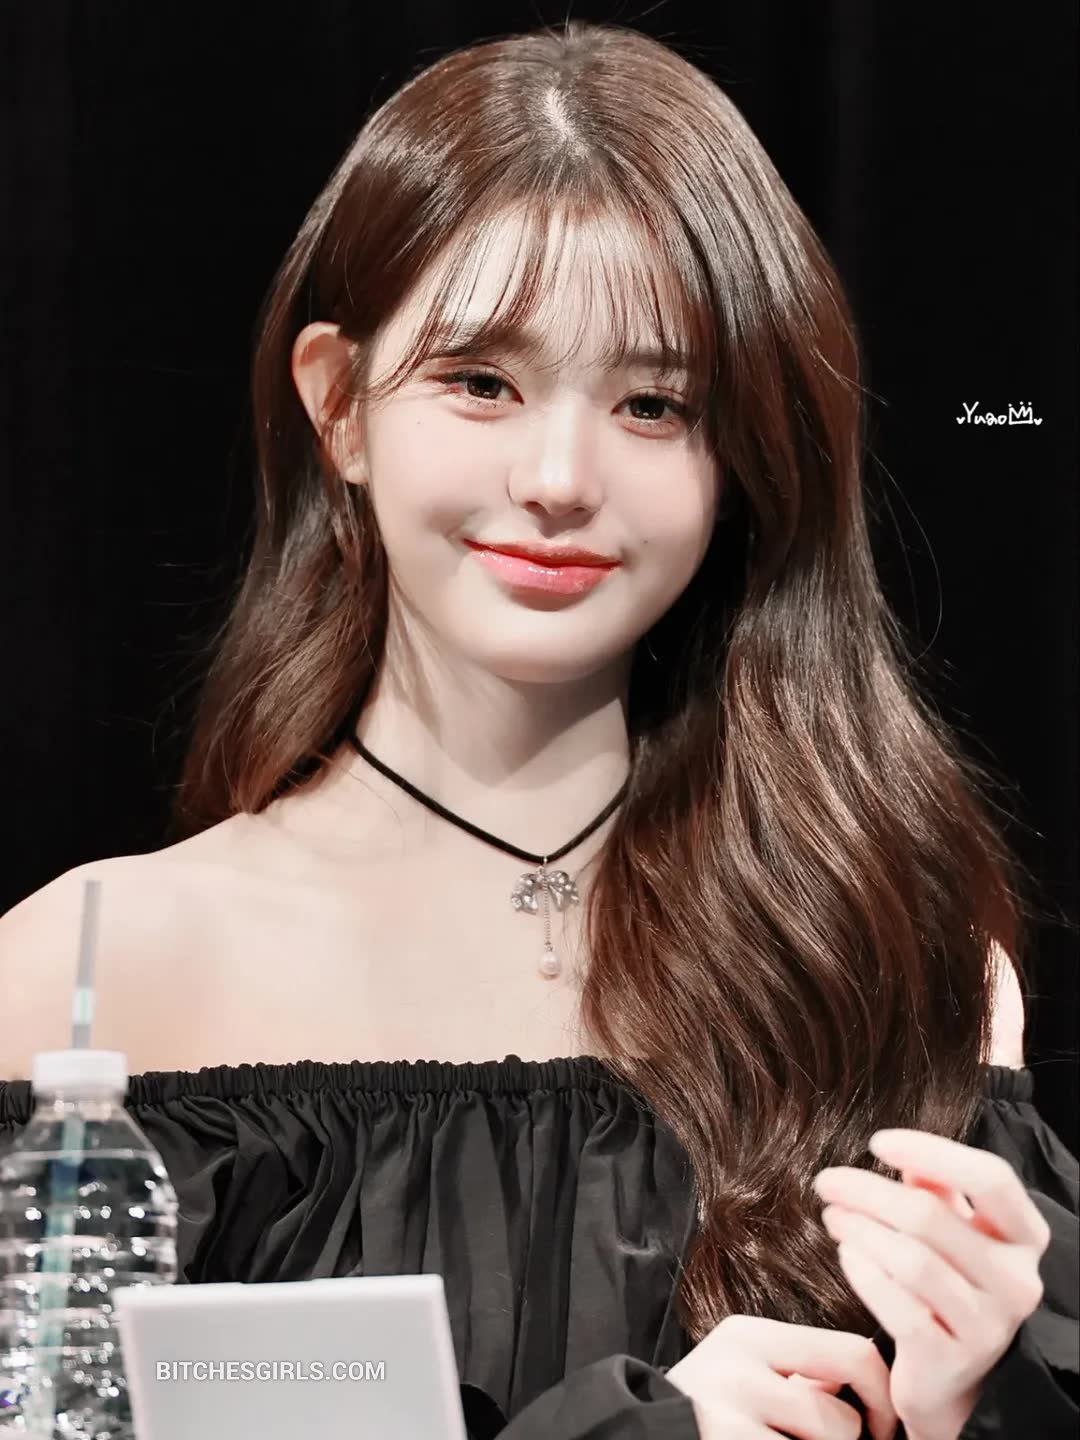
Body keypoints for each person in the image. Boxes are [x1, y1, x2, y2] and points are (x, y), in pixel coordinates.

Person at [1, 18, 1076, 1439]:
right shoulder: (87, 975)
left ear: (744, 458)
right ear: (340, 404)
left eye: (654, 403)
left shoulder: (903, 971)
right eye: (482, 383)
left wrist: (965, 1410)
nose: (561, 477)